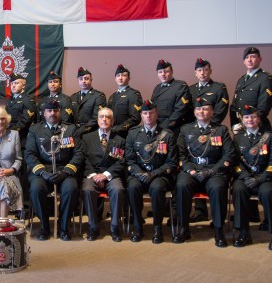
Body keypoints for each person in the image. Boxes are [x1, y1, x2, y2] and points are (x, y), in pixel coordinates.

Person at [173, 96, 235, 247]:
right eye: (198, 108)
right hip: (192, 170)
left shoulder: (221, 130)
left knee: (218, 187)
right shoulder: (186, 129)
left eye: (206, 108)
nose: (202, 111)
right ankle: (184, 228)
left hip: (213, 171)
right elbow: (180, 154)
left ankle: (218, 231)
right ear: (194, 111)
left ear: (212, 112)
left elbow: (229, 155)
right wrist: (190, 170)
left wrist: (212, 171)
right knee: (181, 185)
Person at [25, 99, 84, 241]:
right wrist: (42, 172)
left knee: (71, 189)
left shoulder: (71, 129)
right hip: (43, 170)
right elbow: (30, 154)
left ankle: (63, 226)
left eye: (56, 110)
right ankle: (44, 226)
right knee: (36, 189)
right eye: (49, 111)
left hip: (64, 170)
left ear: (60, 112)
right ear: (44, 113)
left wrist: (65, 172)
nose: (53, 113)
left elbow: (79, 153)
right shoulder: (35, 129)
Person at [125, 100, 178, 244]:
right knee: (133, 187)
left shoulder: (167, 135)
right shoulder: (133, 134)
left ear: (156, 114)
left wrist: (154, 174)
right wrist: (139, 173)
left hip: (159, 175)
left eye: (151, 113)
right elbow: (129, 160)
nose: (148, 116)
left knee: (157, 188)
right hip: (139, 173)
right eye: (145, 113)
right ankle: (137, 227)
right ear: (141, 115)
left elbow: (171, 162)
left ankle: (157, 228)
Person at [232, 105, 272, 251]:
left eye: (253, 116)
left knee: (267, 193)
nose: (250, 120)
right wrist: (246, 176)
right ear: (242, 120)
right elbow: (235, 162)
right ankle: (243, 232)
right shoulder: (237, 138)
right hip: (245, 177)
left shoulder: (270, 136)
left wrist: (260, 178)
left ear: (259, 119)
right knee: (238, 189)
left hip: (266, 178)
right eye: (247, 117)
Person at [188, 58, 230, 222]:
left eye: (205, 69)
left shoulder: (219, 88)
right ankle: (200, 210)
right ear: (195, 73)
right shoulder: (190, 90)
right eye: (199, 70)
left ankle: (216, 214)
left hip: (212, 131)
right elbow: (187, 112)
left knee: (212, 168)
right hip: (194, 132)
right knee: (197, 166)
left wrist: (208, 126)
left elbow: (220, 110)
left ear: (210, 70)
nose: (202, 72)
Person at [81, 107, 126, 242]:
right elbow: (83, 159)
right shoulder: (87, 138)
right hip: (92, 174)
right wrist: (94, 175)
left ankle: (115, 226)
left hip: (111, 175)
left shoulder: (120, 140)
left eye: (107, 117)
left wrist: (106, 175)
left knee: (118, 190)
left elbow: (122, 161)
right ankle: (93, 226)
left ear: (112, 121)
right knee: (87, 190)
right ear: (97, 120)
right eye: (102, 117)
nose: (104, 119)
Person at [230, 46, 272, 133]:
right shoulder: (241, 80)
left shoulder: (266, 78)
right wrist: (234, 125)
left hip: (257, 127)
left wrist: (246, 123)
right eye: (247, 57)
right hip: (240, 129)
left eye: (253, 56)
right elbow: (234, 106)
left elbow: (263, 108)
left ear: (260, 59)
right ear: (244, 61)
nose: (249, 60)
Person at [150, 59, 192, 137]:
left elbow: (181, 109)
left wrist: (164, 126)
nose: (163, 74)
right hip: (157, 127)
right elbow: (152, 108)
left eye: (166, 71)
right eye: (160, 72)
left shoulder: (180, 86)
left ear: (172, 72)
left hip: (173, 128)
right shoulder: (157, 88)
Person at [107, 64, 143, 138]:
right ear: (115, 79)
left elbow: (135, 118)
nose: (120, 78)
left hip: (126, 135)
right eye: (118, 75)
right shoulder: (112, 97)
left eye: (123, 75)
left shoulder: (133, 94)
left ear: (129, 78)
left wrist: (119, 128)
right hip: (112, 134)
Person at [70, 67, 107, 136]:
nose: (83, 81)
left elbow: (97, 117)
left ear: (91, 80)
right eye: (81, 79)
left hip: (91, 133)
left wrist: (80, 131)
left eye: (86, 79)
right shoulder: (73, 97)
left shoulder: (98, 96)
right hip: (74, 133)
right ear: (78, 80)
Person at [5, 73, 37, 147]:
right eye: (12, 83)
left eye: (16, 83)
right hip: (8, 138)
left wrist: (10, 131)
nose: (13, 85)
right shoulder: (10, 101)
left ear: (23, 85)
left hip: (22, 139)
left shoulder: (28, 100)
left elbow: (25, 121)